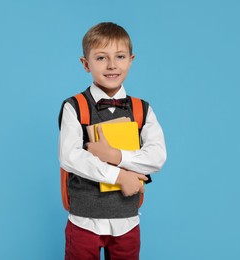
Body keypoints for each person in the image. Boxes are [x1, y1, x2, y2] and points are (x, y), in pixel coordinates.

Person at [59, 22, 166, 260]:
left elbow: (157, 157)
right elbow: (70, 157)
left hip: (127, 220)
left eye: (119, 56)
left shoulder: (142, 110)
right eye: (100, 58)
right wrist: (120, 176)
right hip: (84, 220)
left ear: (130, 59)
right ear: (85, 64)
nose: (111, 65)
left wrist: (115, 156)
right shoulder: (74, 107)